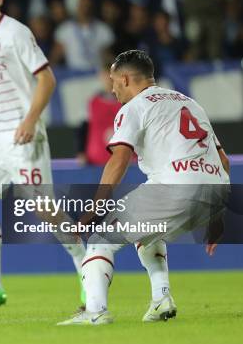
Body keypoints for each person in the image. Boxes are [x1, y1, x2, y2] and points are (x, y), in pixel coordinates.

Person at [58, 50, 230, 325]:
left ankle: (95, 312)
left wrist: (95, 207)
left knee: (101, 241)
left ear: (125, 79)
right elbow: (223, 160)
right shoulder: (190, 103)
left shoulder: (134, 107)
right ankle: (161, 298)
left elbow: (120, 159)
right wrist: (217, 218)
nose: (112, 88)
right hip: (217, 190)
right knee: (148, 234)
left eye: (114, 81)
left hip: (175, 188)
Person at [0, 0, 86, 307]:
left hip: (21, 132)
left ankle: (87, 268)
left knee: (44, 209)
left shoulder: (16, 33)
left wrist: (31, 120)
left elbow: (46, 79)